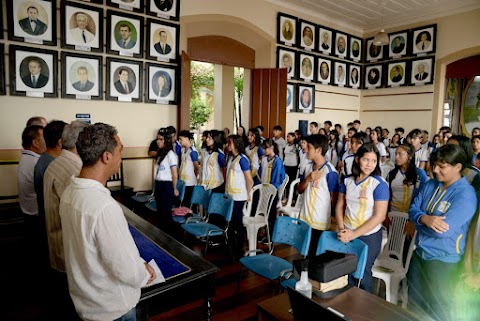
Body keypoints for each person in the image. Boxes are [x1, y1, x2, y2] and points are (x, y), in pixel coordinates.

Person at [60, 123, 156, 321]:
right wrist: (144, 273)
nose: (121, 156)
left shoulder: (69, 193)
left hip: (86, 301)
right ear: (106, 156)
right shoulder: (104, 207)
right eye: (120, 151)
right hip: (112, 307)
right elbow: (124, 268)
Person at [408, 144, 476, 321]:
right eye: (435, 164)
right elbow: (412, 209)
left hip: (443, 262)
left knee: (438, 312)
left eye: (442, 166)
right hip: (420, 255)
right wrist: (425, 219)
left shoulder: (465, 195)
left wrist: (417, 222)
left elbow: (441, 233)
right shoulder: (431, 184)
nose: (436, 170)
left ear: (458, 167)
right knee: (413, 307)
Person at [43, 120, 88, 320]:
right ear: (81, 143)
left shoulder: (56, 163)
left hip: (57, 246)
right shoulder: (74, 171)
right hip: (68, 252)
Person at [336, 143, 389, 293]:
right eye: (366, 159)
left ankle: (364, 310)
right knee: (347, 270)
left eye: (374, 161)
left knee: (362, 274)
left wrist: (354, 234)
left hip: (368, 237)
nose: (370, 164)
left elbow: (379, 216)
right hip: (347, 232)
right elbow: (340, 205)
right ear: (358, 159)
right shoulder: (348, 181)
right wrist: (342, 229)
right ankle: (347, 306)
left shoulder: (379, 184)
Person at [298, 134, 339, 257]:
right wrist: (307, 179)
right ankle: (303, 275)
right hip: (304, 218)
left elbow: (334, 199)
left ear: (319, 150)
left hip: (319, 221)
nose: (305, 149)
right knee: (303, 251)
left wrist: (333, 221)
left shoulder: (330, 172)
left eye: (308, 147)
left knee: (315, 254)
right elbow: (299, 190)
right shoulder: (307, 167)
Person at [18, 125, 46, 273]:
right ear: (35, 143)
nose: (46, 142)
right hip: (36, 213)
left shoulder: (26, 157)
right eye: (44, 138)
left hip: (27, 210)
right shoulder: (36, 162)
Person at [225, 134, 253, 257]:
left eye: (229, 143)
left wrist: (247, 194)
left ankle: (239, 249)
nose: (228, 145)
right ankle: (231, 248)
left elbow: (249, 180)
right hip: (231, 196)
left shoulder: (242, 159)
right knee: (230, 224)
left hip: (239, 197)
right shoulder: (232, 158)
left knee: (238, 224)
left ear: (236, 144)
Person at [387, 143, 429, 213]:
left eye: (400, 154)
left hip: (410, 216)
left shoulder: (419, 174)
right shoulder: (392, 174)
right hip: (393, 213)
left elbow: (424, 197)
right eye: (396, 154)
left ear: (410, 156)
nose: (396, 157)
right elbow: (387, 196)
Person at [153, 128, 179, 235]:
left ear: (165, 141)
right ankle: (161, 234)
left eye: (160, 139)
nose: (157, 141)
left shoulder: (171, 154)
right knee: (160, 211)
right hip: (159, 184)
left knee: (166, 212)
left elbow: (174, 173)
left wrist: (174, 187)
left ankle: (169, 236)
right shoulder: (160, 154)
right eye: (157, 139)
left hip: (167, 185)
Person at [260, 139, 286, 237]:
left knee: (271, 214)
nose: (263, 150)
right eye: (263, 148)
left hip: (272, 192)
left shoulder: (277, 161)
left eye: (265, 148)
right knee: (264, 212)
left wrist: (271, 191)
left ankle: (271, 235)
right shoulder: (264, 159)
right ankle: (265, 232)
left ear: (271, 148)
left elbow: (277, 179)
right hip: (264, 190)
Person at [178, 130, 200, 208]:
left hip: (190, 183)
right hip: (182, 181)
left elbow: (196, 168)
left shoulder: (193, 151)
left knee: (188, 203)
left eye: (181, 139)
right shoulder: (183, 150)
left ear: (186, 138)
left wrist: (195, 177)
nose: (179, 141)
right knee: (182, 202)